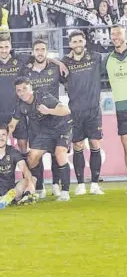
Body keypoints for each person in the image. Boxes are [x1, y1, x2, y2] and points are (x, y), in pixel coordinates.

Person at [8, 77, 72, 202]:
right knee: (32, 157)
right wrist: (3, 136)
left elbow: (66, 110)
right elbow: (12, 124)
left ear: (31, 88)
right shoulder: (20, 105)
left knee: (59, 154)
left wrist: (48, 111)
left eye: (24, 89)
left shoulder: (43, 97)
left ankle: (65, 192)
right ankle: (38, 188)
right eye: (19, 90)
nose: (22, 93)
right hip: (45, 132)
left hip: (62, 128)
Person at [61, 31, 105, 196]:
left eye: (80, 41)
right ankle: (80, 184)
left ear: (84, 42)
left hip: (93, 110)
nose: (78, 44)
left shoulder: (95, 57)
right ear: (70, 44)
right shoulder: (64, 62)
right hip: (75, 111)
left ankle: (94, 184)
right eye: (74, 42)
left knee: (95, 144)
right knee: (77, 146)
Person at [20, 40, 62, 196]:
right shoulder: (26, 72)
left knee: (55, 153)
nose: (40, 52)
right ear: (33, 52)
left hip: (53, 118)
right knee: (35, 155)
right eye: (37, 49)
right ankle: (39, 186)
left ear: (47, 51)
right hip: (35, 121)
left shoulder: (56, 68)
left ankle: (56, 185)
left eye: (43, 49)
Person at [0, 125, 38, 205]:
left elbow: (24, 168)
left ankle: (12, 198)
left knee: (32, 179)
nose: (0, 138)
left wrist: (30, 183)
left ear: (7, 137)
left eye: (3, 135)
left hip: (11, 190)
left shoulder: (13, 152)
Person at [106, 25, 127, 172]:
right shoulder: (108, 59)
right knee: (126, 147)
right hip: (121, 108)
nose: (115, 36)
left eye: (118, 33)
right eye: (113, 34)